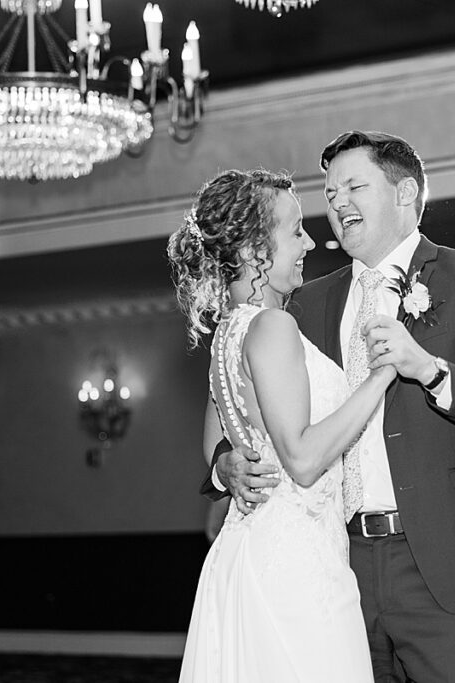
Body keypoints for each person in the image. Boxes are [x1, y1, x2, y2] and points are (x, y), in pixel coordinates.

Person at [208, 131, 455, 682]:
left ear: (406, 193)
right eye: (329, 191)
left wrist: (431, 371)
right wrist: (224, 464)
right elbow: (245, 402)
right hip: (337, 565)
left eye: (353, 186)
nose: (336, 202)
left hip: (444, 563)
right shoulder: (305, 303)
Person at [168, 169, 396, 682]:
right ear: (254, 251)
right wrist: (382, 375)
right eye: (295, 230)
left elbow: (213, 445)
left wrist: (228, 467)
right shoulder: (272, 325)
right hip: (295, 568)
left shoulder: (229, 329)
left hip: (250, 551)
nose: (311, 241)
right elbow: (303, 459)